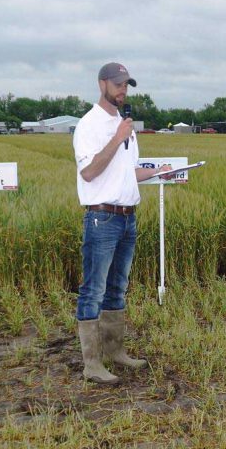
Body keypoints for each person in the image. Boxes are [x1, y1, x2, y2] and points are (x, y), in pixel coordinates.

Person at [72, 62, 172, 384]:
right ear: (101, 84)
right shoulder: (90, 125)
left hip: (128, 218)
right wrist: (117, 138)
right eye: (117, 84)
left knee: (118, 288)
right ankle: (92, 364)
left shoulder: (123, 124)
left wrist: (157, 171)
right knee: (94, 290)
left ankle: (116, 352)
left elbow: (127, 172)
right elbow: (89, 172)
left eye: (126, 85)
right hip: (102, 218)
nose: (122, 90)